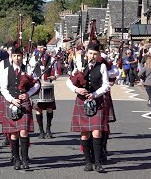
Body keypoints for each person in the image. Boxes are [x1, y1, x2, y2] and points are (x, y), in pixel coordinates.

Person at [66, 42, 110, 173]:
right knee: (84, 133)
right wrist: (76, 90)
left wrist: (95, 94)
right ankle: (88, 162)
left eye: (95, 54)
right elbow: (69, 81)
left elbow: (106, 85)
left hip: (97, 101)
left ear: (98, 55)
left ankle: (98, 163)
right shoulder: (79, 66)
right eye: (91, 53)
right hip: (81, 101)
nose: (92, 56)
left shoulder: (102, 66)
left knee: (97, 132)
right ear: (86, 53)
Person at [0, 46, 40, 170]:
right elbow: (3, 88)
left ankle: (25, 159)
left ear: (22, 56)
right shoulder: (6, 70)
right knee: (14, 134)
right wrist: (11, 99)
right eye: (15, 56)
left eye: (19, 56)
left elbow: (37, 84)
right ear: (11, 57)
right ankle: (16, 159)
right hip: (12, 103)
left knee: (24, 131)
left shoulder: (27, 69)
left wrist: (28, 94)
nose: (17, 58)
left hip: (24, 103)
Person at [30, 40, 58, 139]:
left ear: (45, 48)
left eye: (42, 47)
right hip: (37, 86)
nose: (40, 49)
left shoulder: (51, 59)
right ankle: (41, 131)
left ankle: (48, 129)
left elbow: (56, 73)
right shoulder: (33, 59)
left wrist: (53, 77)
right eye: (38, 47)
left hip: (48, 86)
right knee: (38, 109)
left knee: (49, 109)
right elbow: (30, 72)